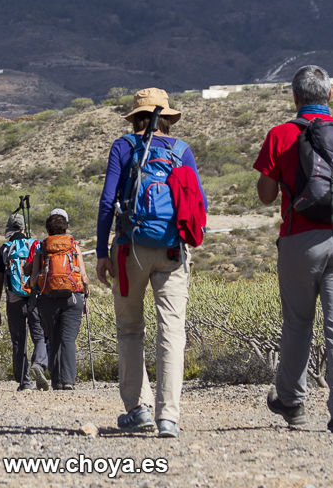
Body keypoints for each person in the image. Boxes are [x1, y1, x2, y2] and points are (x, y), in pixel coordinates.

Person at [254, 65, 333, 434]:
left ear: (295, 97)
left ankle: (292, 402)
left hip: (299, 239)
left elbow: (265, 195)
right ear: (331, 95)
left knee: (298, 323)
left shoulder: (280, 134)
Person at [97, 87, 205, 439]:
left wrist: (101, 252)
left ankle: (138, 408)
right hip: (173, 250)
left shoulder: (123, 147)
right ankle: (168, 418)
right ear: (167, 118)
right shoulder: (181, 150)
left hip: (130, 249)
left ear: (135, 118)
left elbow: (107, 202)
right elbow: (199, 203)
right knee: (171, 332)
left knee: (130, 329)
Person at [27, 209, 87, 391]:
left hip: (48, 298)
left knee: (52, 338)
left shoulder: (42, 246)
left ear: (48, 229)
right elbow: (83, 275)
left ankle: (56, 381)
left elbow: (35, 275)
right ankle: (68, 380)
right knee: (68, 340)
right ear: (66, 227)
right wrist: (86, 298)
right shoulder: (74, 246)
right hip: (73, 297)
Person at [0, 212, 49, 390]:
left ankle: (25, 381)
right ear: (24, 228)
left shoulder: (5, 248)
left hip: (14, 298)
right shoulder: (36, 245)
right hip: (35, 297)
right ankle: (38, 364)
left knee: (18, 339)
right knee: (39, 336)